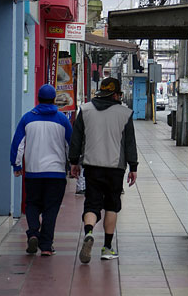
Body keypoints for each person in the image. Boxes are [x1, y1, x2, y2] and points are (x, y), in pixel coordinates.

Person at [69, 77, 138, 263]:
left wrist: (73, 162)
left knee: (92, 203)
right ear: (115, 95)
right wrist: (133, 167)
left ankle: (89, 233)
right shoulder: (125, 113)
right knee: (111, 206)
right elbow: (130, 143)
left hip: (92, 166)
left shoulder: (85, 110)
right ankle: (107, 248)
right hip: (115, 168)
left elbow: (76, 140)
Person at [10, 84, 72, 256]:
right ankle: (46, 246)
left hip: (33, 172)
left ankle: (33, 232)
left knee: (32, 203)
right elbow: (70, 145)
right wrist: (73, 164)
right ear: (54, 99)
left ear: (38, 98)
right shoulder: (62, 120)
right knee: (51, 209)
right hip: (56, 173)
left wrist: (17, 165)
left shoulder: (27, 118)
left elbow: (18, 144)